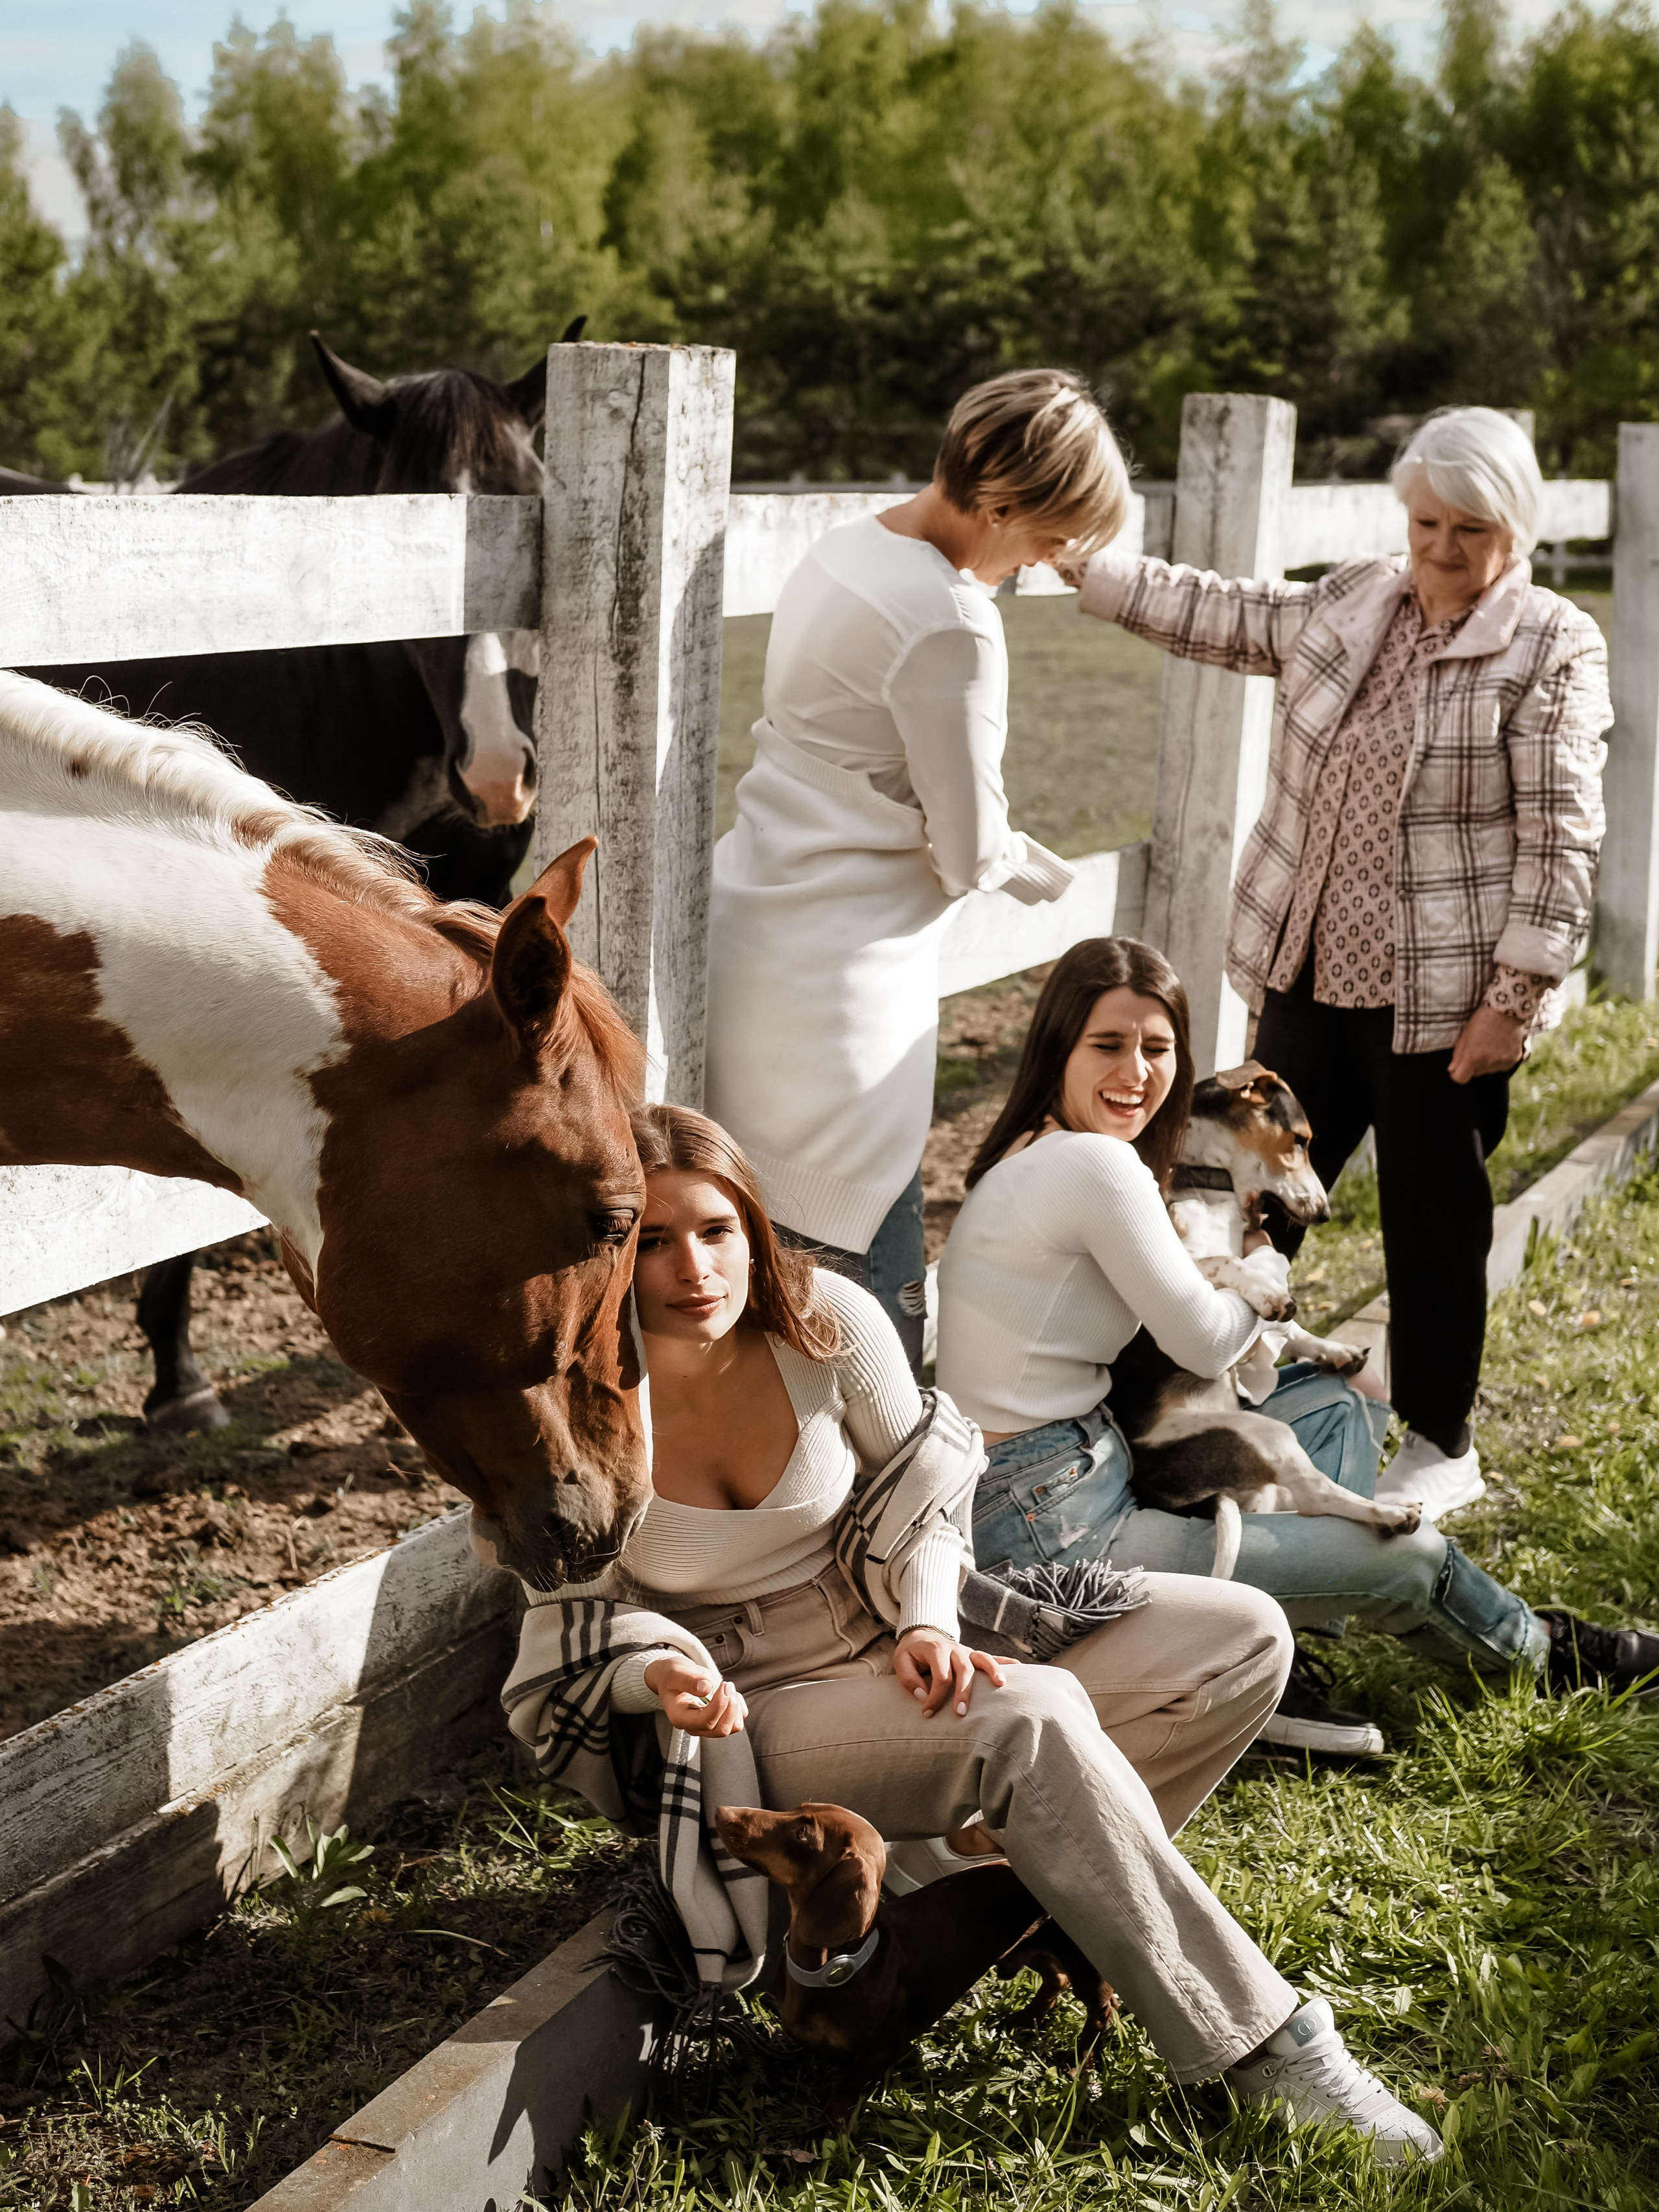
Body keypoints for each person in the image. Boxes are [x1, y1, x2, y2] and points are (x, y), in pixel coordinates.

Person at [502, 1102, 1444, 2165]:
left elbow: (932, 1500)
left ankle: (952, 1899)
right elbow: (569, 1629)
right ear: (607, 1253)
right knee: (1033, 1716)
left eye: (717, 1231)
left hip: (891, 1631)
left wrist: (926, 1617)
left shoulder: (827, 1322)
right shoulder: (572, 1403)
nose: (694, 1268)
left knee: (1241, 1638)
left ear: (752, 1229)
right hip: (752, 1707)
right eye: (654, 1241)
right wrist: (656, 1674)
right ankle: (1266, 2048)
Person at [1066, 407, 1611, 1521]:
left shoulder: (1551, 641)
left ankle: (1443, 1435)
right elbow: (1221, 613)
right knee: (1252, 1196)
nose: (1443, 550)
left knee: (1431, 1213)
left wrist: (1518, 993)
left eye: (1471, 529)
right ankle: (1214, 1384)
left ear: (1518, 528)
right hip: (1306, 970)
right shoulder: (1356, 597)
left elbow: (1563, 833)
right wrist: (1088, 567)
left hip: (1445, 996)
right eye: (1426, 523)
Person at [935, 937, 1659, 1742]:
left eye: (1157, 1047)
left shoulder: (1031, 1148)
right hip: (1056, 1528)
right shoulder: (1098, 1169)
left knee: (1338, 1401)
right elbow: (1208, 1346)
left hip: (1066, 1473)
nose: (1134, 1071)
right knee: (1411, 1556)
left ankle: (1280, 1667)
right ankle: (1543, 1649)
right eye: (1106, 1044)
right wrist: (1264, 1257)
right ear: (1057, 1045)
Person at [705, 370, 1131, 1369]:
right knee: (864, 1318)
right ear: (1002, 505)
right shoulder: (951, 622)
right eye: (1054, 535)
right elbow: (971, 848)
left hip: (755, 925)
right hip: (846, 999)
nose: (1054, 561)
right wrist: (1035, 871)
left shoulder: (849, 547)